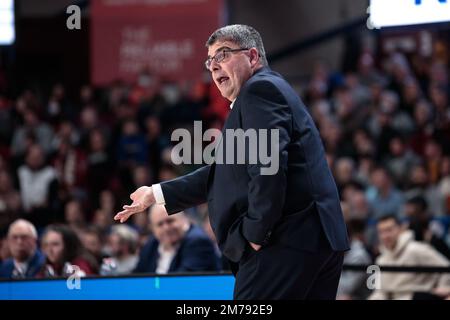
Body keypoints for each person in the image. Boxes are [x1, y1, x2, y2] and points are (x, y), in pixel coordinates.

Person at [115, 24, 349, 299]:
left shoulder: (258, 90)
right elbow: (224, 172)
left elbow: (268, 167)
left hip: (286, 242)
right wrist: (155, 193)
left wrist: (255, 234)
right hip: (314, 239)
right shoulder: (268, 90)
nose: (213, 67)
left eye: (223, 55)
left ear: (252, 57)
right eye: (210, 60)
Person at [369, 215, 450, 300]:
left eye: (389, 230)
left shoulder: (416, 249)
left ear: (400, 229)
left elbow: (446, 267)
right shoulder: (380, 260)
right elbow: (380, 292)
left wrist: (443, 288)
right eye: (381, 232)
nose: (385, 236)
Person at [134, 205, 220, 274]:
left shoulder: (198, 242)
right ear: (153, 228)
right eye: (160, 224)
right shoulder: (151, 244)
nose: (166, 228)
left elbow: (181, 282)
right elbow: (137, 275)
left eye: (170, 221)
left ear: (184, 219)